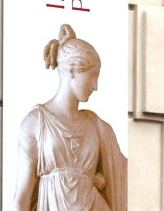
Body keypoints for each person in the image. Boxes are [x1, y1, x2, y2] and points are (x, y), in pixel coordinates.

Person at [13, 24, 127, 211]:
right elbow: (22, 197)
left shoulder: (97, 126)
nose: (95, 86)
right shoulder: (35, 123)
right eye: (92, 76)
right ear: (73, 70)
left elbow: (124, 173)